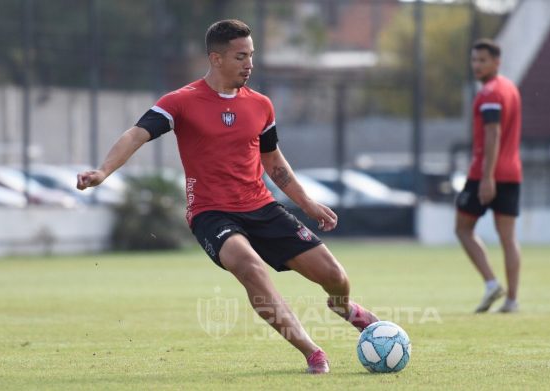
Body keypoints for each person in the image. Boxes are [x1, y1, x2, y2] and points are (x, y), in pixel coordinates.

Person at [76, 19, 378, 374]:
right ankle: (312, 351)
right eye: (240, 57)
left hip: (262, 206)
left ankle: (344, 308)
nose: (249, 64)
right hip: (211, 213)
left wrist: (307, 203)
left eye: (251, 55)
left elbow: (273, 160)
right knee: (250, 266)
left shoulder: (261, 105)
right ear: (216, 59)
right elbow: (136, 135)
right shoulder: (180, 102)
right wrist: (102, 172)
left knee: (335, 276)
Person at [455, 39, 522, 314]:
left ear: (497, 62)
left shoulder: (490, 93)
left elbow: (493, 133)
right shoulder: (510, 88)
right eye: (474, 60)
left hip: (486, 172)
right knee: (508, 237)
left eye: (482, 60)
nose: (477, 65)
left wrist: (487, 177)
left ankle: (492, 283)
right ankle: (512, 300)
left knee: (462, 228)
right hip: (513, 172)